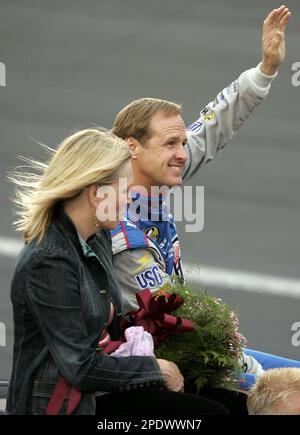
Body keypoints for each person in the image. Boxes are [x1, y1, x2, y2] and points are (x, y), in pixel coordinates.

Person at [109, 5, 300, 401]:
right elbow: (168, 321)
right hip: (169, 364)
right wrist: (251, 371)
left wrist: (264, 70)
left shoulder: (153, 176)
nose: (183, 153)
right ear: (133, 148)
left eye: (181, 143)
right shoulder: (120, 227)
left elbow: (212, 127)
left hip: (194, 347)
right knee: (288, 393)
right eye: (171, 144)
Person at [6, 128, 228, 415]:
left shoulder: (96, 237)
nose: (128, 201)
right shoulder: (50, 261)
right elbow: (80, 367)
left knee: (225, 400)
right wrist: (155, 369)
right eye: (124, 191)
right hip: (62, 406)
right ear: (97, 194)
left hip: (95, 393)